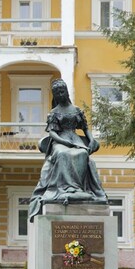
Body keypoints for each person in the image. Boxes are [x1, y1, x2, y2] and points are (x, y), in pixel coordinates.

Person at [28, 78, 108, 221]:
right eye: (57, 92)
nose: (60, 94)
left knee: (82, 153)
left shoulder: (77, 110)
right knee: (62, 153)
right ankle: (65, 188)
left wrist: (91, 140)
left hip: (75, 138)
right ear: (55, 95)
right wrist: (63, 141)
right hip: (59, 140)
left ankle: (77, 189)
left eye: (62, 91)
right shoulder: (54, 112)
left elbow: (85, 128)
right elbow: (52, 132)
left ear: (66, 92)